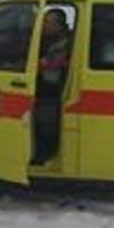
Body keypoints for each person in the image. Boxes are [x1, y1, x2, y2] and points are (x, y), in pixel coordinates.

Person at [32, 9, 72, 164]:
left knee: (46, 125)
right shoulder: (49, 40)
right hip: (49, 86)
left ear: (59, 25)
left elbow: (44, 65)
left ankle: (45, 154)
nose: (44, 25)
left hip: (52, 91)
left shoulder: (62, 45)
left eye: (48, 22)